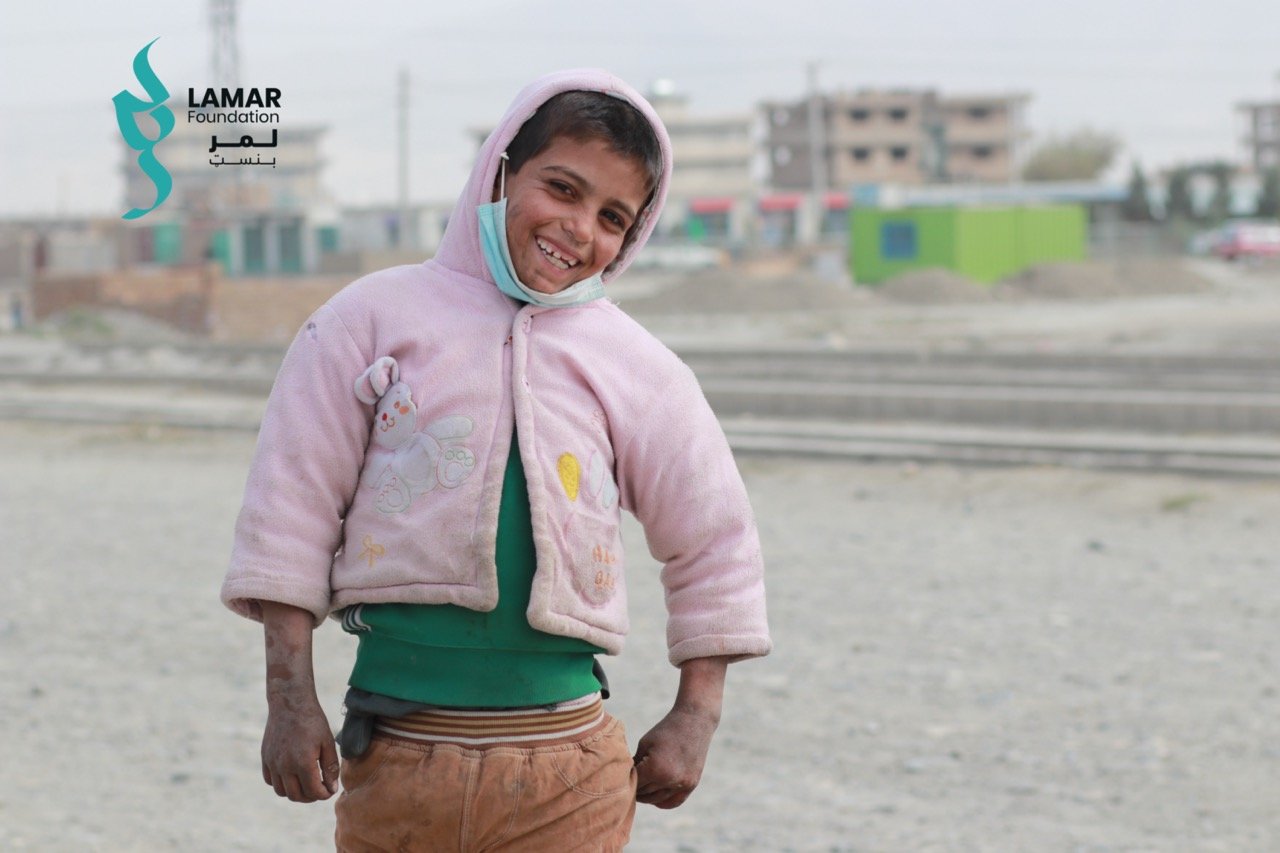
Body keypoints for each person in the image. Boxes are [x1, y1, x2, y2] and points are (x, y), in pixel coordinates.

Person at [221, 68, 770, 851]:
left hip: (569, 770)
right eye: (562, 188)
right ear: (502, 167)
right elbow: (291, 508)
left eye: (613, 216)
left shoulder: (638, 367)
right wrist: (288, 698)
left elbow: (715, 539)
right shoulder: (367, 321)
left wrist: (696, 714)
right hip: (397, 757)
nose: (580, 228)